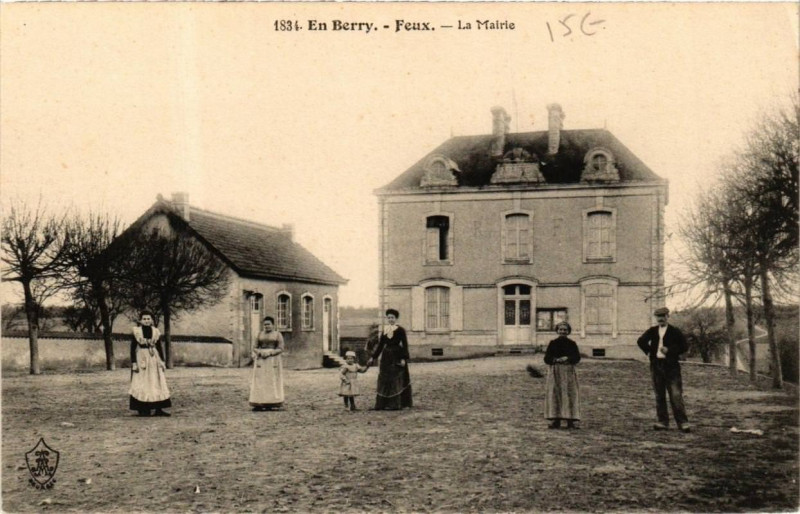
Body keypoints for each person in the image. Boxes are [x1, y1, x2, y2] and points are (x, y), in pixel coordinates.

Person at [637, 307, 691, 432]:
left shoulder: (674, 331)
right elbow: (640, 341)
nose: (660, 319)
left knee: (676, 395)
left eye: (663, 316)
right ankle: (662, 422)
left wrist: (670, 350)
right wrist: (651, 351)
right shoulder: (652, 330)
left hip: (671, 367)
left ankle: (683, 423)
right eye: (658, 316)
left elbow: (684, 346)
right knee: (659, 394)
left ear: (668, 316)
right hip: (656, 366)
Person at [366, 309, 412, 410]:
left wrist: (404, 358)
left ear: (396, 319)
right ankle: (383, 404)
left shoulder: (400, 330)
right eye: (389, 318)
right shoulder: (385, 330)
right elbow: (380, 345)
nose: (391, 319)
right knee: (385, 378)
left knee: (396, 378)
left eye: (392, 318)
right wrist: (373, 357)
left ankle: (396, 404)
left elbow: (405, 345)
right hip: (386, 357)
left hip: (397, 355)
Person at [129, 311, 171, 417]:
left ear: (152, 320)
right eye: (144, 319)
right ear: (140, 320)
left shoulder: (155, 331)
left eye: (148, 319)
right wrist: (134, 362)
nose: (147, 321)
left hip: (153, 358)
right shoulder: (137, 331)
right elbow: (132, 348)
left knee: (156, 381)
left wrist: (162, 360)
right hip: (142, 358)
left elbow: (159, 347)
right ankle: (143, 409)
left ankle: (158, 408)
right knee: (142, 382)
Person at [543, 321, 581, 429]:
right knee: (555, 394)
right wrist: (555, 359)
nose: (562, 332)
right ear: (557, 331)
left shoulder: (572, 344)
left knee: (569, 394)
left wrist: (568, 358)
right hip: (555, 372)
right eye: (560, 330)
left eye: (565, 330)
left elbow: (577, 358)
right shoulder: (553, 343)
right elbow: (546, 358)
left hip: (568, 371)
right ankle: (556, 419)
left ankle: (571, 420)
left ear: (568, 332)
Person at [249, 316, 285, 411]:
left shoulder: (278, 335)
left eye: (268, 324)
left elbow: (281, 348)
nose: (266, 326)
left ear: (273, 325)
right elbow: (255, 347)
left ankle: (272, 402)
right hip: (261, 359)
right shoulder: (259, 334)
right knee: (260, 380)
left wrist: (270, 353)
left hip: (273, 359)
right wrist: (260, 352)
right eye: (265, 324)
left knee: (272, 380)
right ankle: (259, 402)